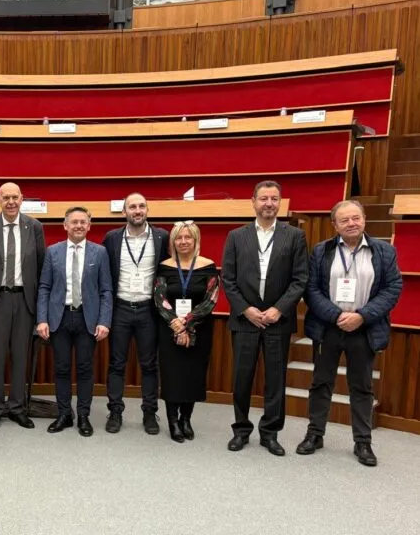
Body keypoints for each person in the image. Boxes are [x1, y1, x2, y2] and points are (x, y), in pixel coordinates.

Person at [296, 200, 402, 466]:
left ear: (364, 219)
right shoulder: (322, 251)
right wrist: (335, 315)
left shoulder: (384, 251)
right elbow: (311, 289)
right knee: (321, 383)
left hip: (363, 329)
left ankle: (363, 442)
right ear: (335, 225)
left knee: (362, 387)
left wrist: (362, 316)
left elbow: (392, 288)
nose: (351, 223)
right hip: (327, 327)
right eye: (344, 220)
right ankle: (315, 434)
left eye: (356, 218)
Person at [222, 180, 308, 456]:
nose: (268, 203)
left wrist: (279, 309)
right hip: (245, 320)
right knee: (242, 379)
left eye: (274, 198)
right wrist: (246, 309)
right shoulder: (236, 236)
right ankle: (241, 430)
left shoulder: (294, 236)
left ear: (279, 202)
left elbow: (299, 279)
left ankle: (270, 433)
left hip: (277, 321)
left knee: (275, 380)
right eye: (263, 198)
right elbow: (229, 278)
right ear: (253, 202)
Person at [0, 182, 45, 430]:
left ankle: (17, 407)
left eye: (15, 197)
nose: (11, 202)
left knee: (20, 356)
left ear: (22, 199)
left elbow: (41, 266)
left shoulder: (34, 227)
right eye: (6, 198)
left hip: (25, 300)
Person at [37, 207, 112, 437]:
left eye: (83, 222)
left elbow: (106, 290)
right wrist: (42, 319)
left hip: (87, 319)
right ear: (65, 225)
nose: (79, 226)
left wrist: (104, 321)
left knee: (85, 369)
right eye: (74, 222)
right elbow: (45, 287)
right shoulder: (53, 252)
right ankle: (64, 414)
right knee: (61, 369)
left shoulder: (99, 253)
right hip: (59, 318)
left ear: (89, 226)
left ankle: (83, 416)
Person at [102, 192, 170, 435]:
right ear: (124, 212)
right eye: (132, 207)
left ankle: (150, 413)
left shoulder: (162, 237)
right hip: (120, 308)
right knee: (116, 364)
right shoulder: (111, 238)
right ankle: (115, 412)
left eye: (141, 206)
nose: (137, 210)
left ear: (147, 210)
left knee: (150, 365)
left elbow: (167, 273)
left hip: (148, 311)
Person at [153, 221, 220, 443]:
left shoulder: (207, 265)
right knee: (172, 375)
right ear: (173, 241)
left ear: (195, 240)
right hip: (168, 328)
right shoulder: (164, 266)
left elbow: (211, 299)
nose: (183, 242)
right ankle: (173, 420)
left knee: (192, 374)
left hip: (199, 329)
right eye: (178, 238)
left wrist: (187, 324)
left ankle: (186, 419)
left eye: (187, 237)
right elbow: (159, 297)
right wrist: (175, 324)